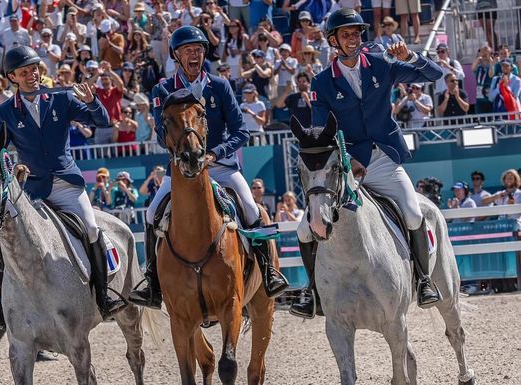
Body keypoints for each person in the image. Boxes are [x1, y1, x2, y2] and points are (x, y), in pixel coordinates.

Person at [289, 8, 444, 318]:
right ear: (333, 41)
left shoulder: (381, 65)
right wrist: (347, 160)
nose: (353, 39)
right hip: (348, 166)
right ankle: (311, 291)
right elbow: (321, 131)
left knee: (414, 213)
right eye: (346, 34)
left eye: (357, 33)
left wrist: (411, 57)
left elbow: (435, 75)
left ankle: (424, 280)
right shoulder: (322, 83)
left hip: (384, 158)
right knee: (306, 229)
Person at [128, 26, 288, 309]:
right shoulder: (163, 90)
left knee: (251, 210)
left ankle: (268, 273)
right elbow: (161, 136)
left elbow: (241, 131)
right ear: (176, 56)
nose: (195, 54)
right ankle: (152, 282)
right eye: (188, 50)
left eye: (199, 50)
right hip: (182, 170)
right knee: (152, 213)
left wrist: (215, 154)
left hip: (220, 167)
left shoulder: (220, 86)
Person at [0, 45, 125, 327]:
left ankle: (104, 295)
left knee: (91, 229)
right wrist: (11, 170)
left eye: (34, 69)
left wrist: (92, 101)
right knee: (0, 244)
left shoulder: (62, 98)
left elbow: (103, 121)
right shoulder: (4, 112)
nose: (31, 75)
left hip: (66, 184)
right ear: (13, 77)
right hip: (31, 189)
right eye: (24, 72)